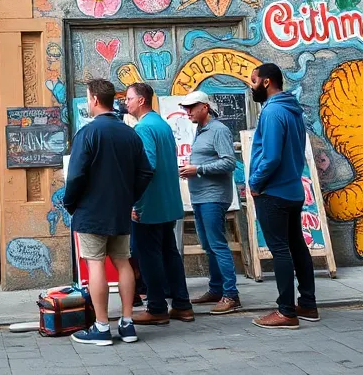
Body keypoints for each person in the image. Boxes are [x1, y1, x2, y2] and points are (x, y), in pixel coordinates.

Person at [63, 79, 153, 347]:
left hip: (91, 211)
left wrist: (70, 203)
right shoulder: (130, 133)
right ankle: (127, 323)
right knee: (123, 262)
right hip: (119, 210)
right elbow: (146, 171)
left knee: (95, 264)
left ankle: (102, 326)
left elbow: (76, 175)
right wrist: (129, 197)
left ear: (93, 99)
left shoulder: (88, 133)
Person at [248, 63, 319, 329]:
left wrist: (255, 183)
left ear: (266, 82)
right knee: (297, 246)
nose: (251, 86)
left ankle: (286, 312)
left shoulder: (272, 112)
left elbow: (271, 157)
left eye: (254, 81)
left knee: (280, 249)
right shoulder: (292, 110)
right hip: (292, 190)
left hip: (273, 192)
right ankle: (308, 304)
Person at [123, 82, 191, 326]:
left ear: (141, 100)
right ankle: (182, 305)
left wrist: (136, 204)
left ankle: (157, 307)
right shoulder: (161, 124)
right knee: (170, 253)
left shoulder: (143, 128)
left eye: (129, 98)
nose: (126, 103)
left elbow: (147, 166)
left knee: (148, 256)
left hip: (150, 205)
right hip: (167, 202)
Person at [177, 92, 240, 314]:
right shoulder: (201, 130)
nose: (187, 112)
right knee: (208, 245)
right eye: (185, 108)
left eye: (191, 107)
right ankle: (216, 289)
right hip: (200, 196)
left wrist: (198, 169)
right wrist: (191, 170)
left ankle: (231, 295)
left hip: (214, 197)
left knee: (217, 245)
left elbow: (229, 162)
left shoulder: (218, 130)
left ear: (205, 107)